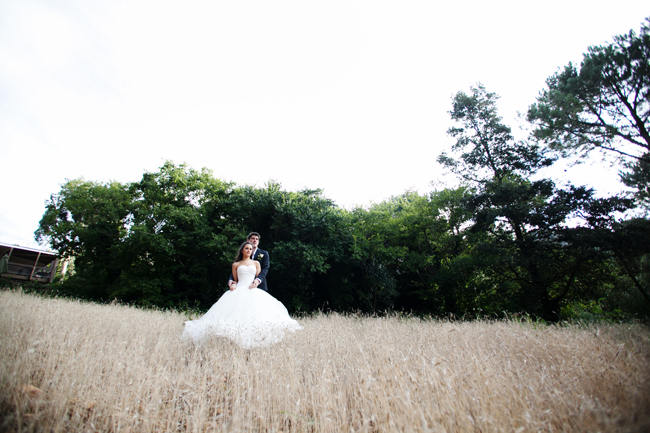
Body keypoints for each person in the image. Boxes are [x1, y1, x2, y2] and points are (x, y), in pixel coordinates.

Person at [182, 241, 301, 348]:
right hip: (239, 290)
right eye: (246, 249)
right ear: (242, 250)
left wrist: (255, 282)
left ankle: (254, 340)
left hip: (252, 290)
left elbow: (258, 275)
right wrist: (232, 284)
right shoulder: (236, 264)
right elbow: (235, 279)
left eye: (250, 249)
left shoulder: (256, 263)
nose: (249, 250)